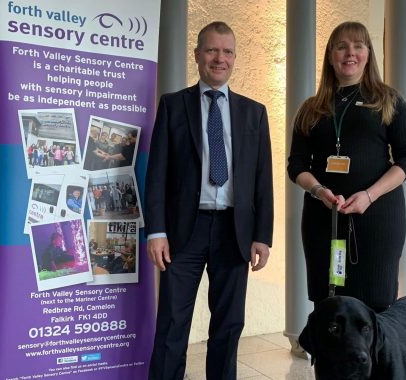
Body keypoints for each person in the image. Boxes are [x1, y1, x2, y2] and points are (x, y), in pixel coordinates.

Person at [145, 21, 274, 380]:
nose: (220, 58)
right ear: (198, 54)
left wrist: (263, 235)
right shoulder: (173, 105)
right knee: (172, 323)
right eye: (213, 50)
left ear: (235, 58)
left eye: (228, 51)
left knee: (229, 325)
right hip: (184, 231)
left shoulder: (255, 112)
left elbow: (263, 180)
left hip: (235, 231)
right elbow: (156, 174)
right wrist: (156, 231)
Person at [287, 21, 406, 311]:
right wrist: (319, 190)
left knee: (376, 306)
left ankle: (374, 359)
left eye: (358, 45)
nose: (350, 53)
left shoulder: (388, 101)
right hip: (325, 219)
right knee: (328, 305)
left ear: (368, 53)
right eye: (341, 46)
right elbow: (296, 165)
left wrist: (369, 195)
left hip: (377, 218)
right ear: (330, 55)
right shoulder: (311, 108)